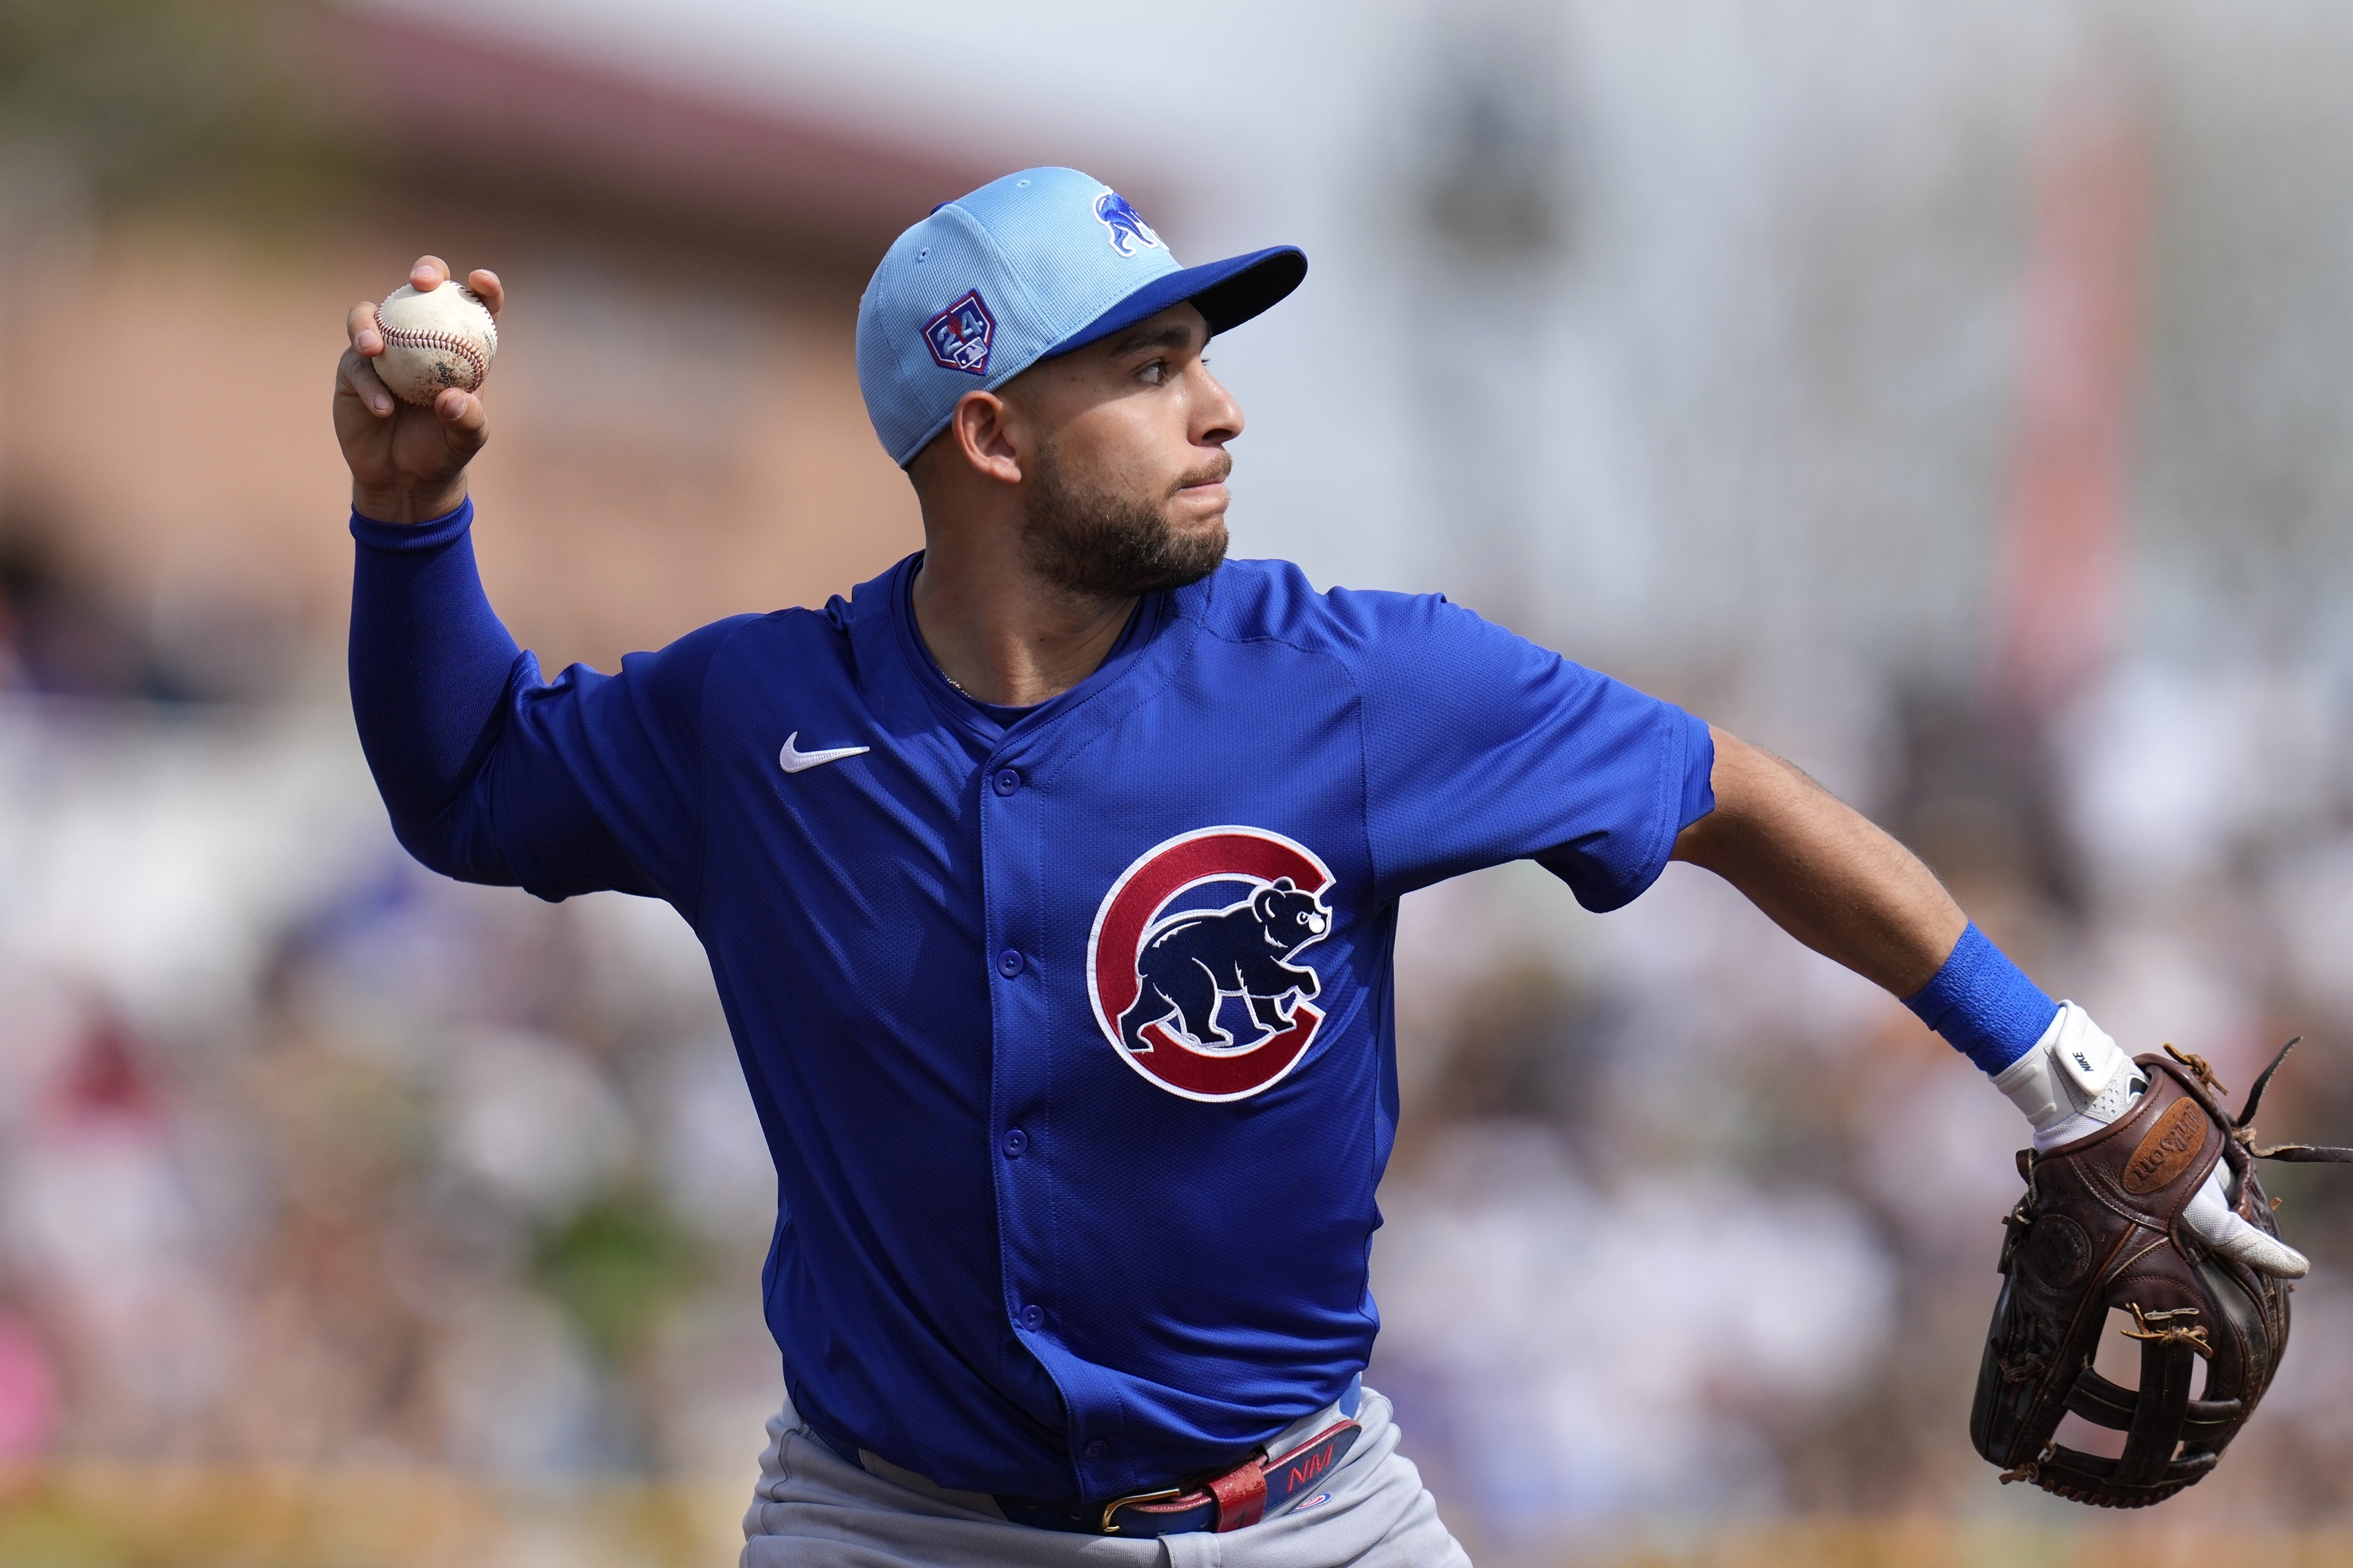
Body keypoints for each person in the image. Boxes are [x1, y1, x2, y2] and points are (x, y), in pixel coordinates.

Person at [333, 167, 2300, 1566]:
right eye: (1160, 365)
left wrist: (2067, 1073)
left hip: (1312, 1514)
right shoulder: (757, 719)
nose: (1226, 404)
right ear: (994, 431)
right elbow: (475, 786)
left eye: (1208, 351)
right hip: (893, 1526)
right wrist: (411, 525)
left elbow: (1728, 795)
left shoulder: (1353, 683)